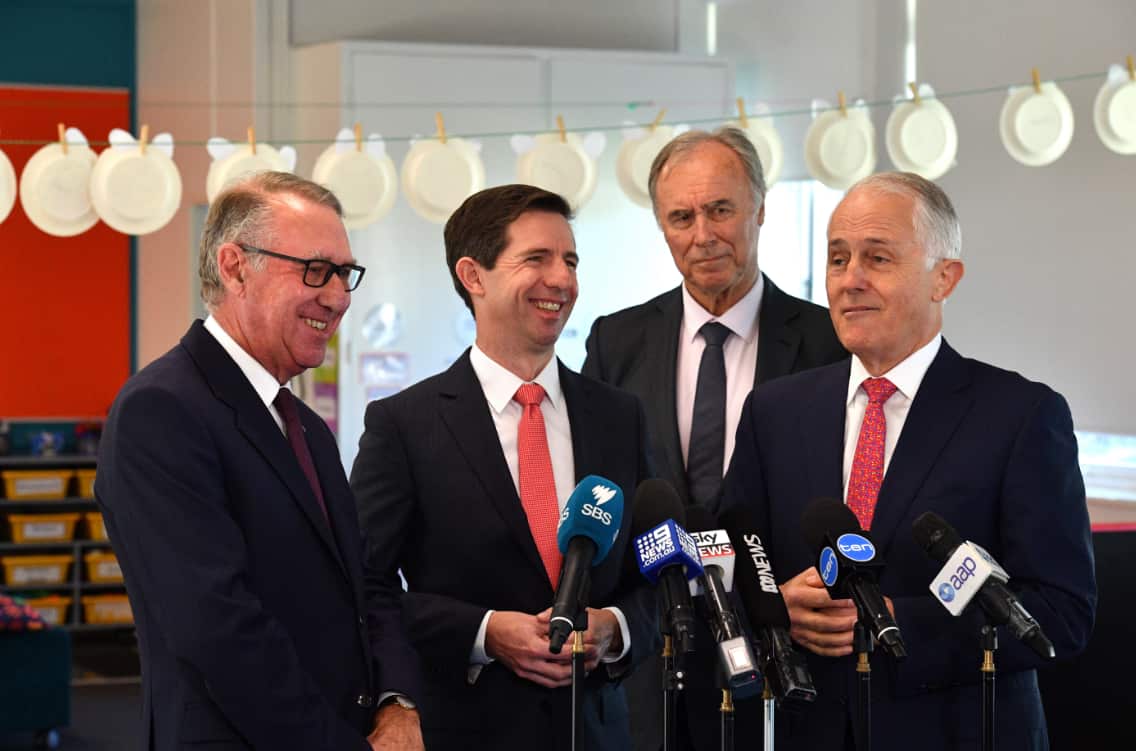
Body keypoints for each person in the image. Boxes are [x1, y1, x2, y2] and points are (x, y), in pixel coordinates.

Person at [716, 172, 1097, 750]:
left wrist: (894, 622)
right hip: (808, 729)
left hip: (957, 731)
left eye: (878, 258)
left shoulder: (1021, 416)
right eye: (838, 259)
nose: (850, 281)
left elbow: (1062, 612)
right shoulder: (775, 411)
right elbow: (730, 559)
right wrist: (773, 608)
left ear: (945, 277)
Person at [95, 171, 423, 751]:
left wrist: (398, 704)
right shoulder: (162, 410)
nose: (339, 297)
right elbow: (219, 628)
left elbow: (366, 587)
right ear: (235, 266)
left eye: (346, 274)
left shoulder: (309, 431)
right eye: (316, 270)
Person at [350, 184, 655, 751]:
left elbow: (656, 573)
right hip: (466, 729)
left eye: (569, 261)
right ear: (473, 275)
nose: (561, 280)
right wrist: (485, 633)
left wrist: (616, 627)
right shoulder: (405, 424)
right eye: (536, 259)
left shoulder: (620, 416)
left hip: (599, 731)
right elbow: (364, 587)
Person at [582, 126, 847, 751]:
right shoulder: (614, 342)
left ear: (760, 207)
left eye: (720, 209)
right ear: (662, 227)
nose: (702, 234)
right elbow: (598, 494)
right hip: (651, 656)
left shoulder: (830, 342)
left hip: (785, 655)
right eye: (681, 216)